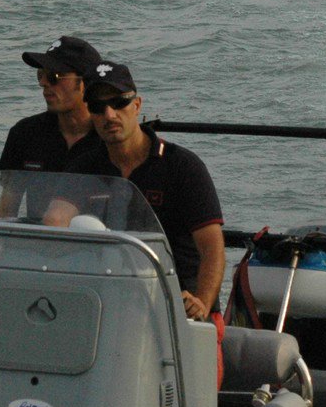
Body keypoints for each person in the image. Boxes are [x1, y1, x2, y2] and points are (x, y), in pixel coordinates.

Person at [58, 61, 226, 322]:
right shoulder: (84, 167)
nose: (110, 115)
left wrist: (201, 304)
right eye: (98, 107)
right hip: (111, 301)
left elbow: (212, 247)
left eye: (119, 103)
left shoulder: (182, 166)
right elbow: (55, 221)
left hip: (181, 307)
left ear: (136, 106)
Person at [0, 36, 104, 174]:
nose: (43, 82)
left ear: (86, 83)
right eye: (40, 74)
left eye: (54, 76)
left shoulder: (110, 137)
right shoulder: (24, 134)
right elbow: (9, 193)